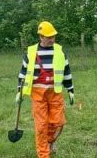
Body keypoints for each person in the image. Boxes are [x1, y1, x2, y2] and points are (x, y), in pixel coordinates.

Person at [16, 21, 74, 158]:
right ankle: (43, 154)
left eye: (53, 36)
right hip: (37, 94)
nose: (52, 39)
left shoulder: (60, 52)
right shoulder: (30, 53)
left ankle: (49, 141)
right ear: (41, 36)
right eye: (48, 37)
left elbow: (66, 72)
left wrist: (70, 89)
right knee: (41, 126)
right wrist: (19, 91)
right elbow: (23, 74)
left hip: (55, 92)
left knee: (58, 123)